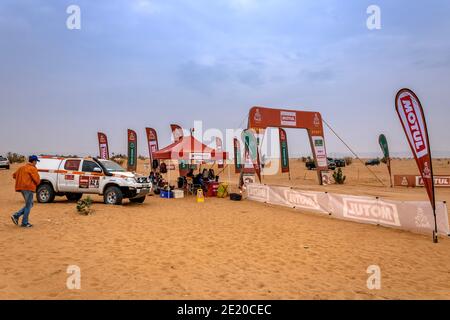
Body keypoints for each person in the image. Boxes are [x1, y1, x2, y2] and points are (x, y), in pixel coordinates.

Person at [11, 155, 41, 228]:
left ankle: (16, 215)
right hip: (29, 188)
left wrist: (22, 180)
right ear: (33, 161)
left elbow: (14, 175)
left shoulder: (21, 168)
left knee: (30, 204)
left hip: (22, 188)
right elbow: (37, 180)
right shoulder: (32, 168)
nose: (36, 163)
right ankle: (24, 222)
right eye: (36, 161)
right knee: (28, 205)